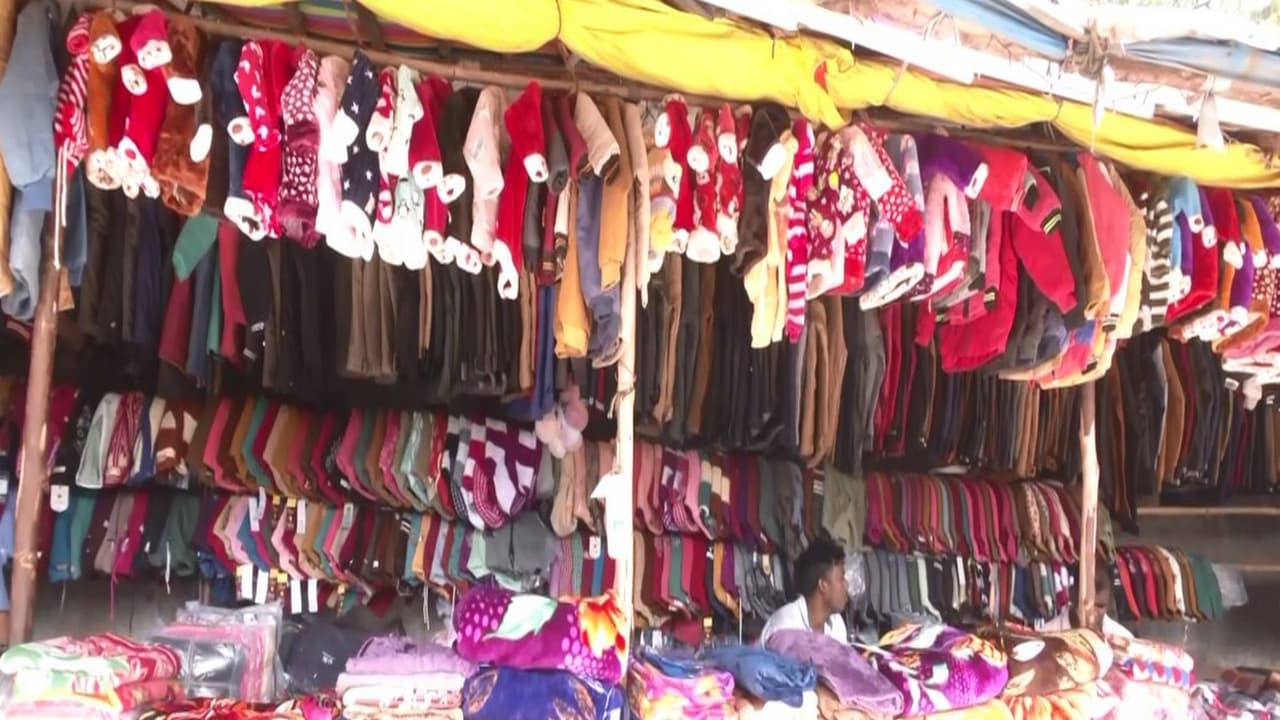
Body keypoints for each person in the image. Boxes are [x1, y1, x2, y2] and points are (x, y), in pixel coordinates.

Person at [760, 539, 850, 644]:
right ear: (823, 585)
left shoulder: (837, 625)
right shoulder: (785, 626)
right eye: (841, 578)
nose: (846, 585)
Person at [1040, 567, 1134, 642]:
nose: (1092, 615)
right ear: (1072, 595)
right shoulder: (1045, 638)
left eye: (1100, 606)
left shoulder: (1125, 640)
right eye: (1085, 605)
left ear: (1109, 601)